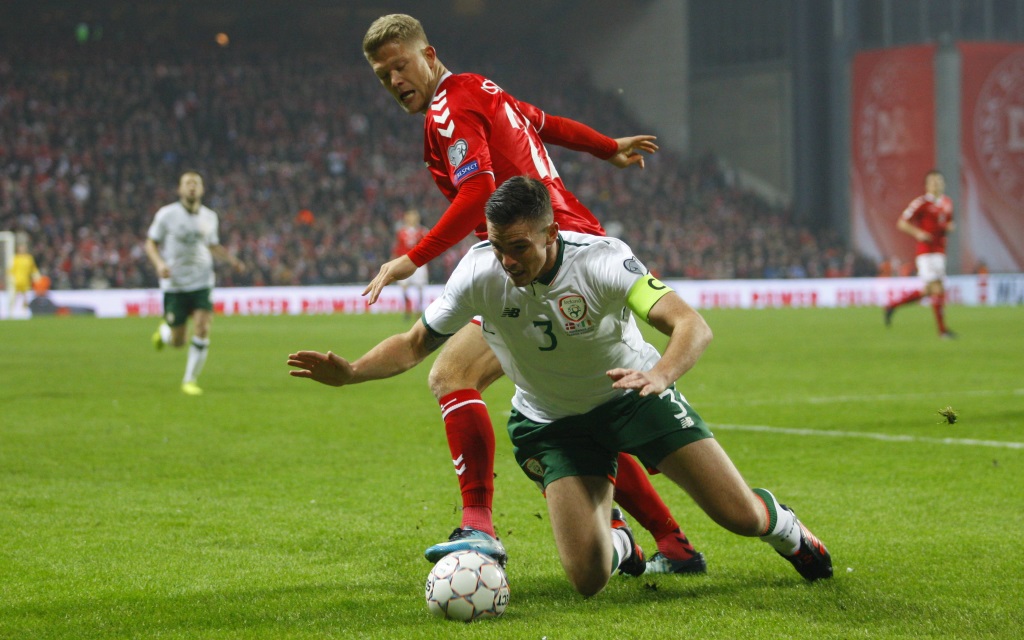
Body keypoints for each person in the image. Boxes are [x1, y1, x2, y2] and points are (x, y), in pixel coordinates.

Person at [288, 177, 833, 595]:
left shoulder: (602, 261)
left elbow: (690, 323)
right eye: (500, 245)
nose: (508, 260)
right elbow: (413, 345)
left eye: (520, 247)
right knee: (588, 579)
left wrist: (661, 374)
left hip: (633, 396)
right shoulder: (480, 272)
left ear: (552, 233)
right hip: (552, 425)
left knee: (738, 516)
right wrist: (354, 371)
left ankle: (787, 531)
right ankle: (619, 541)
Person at [361, 13, 704, 575]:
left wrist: (410, 258)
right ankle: (669, 540)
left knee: (454, 377)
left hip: (547, 261)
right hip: (568, 247)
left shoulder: (449, 109)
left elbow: (477, 192)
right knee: (580, 404)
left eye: (400, 65)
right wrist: (604, 146)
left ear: (428, 55)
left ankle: (479, 526)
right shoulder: (478, 88)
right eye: (383, 75)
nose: (394, 79)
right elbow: (540, 121)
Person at [145, 171, 245, 395]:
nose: (192, 187)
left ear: (202, 190)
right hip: (175, 284)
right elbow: (150, 244)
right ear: (180, 189)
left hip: (202, 281)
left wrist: (232, 261)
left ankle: (189, 380)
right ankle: (165, 333)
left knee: (202, 326)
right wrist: (159, 264)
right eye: (187, 183)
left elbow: (212, 245)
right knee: (179, 341)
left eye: (196, 183)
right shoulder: (166, 215)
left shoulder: (210, 216)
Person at [884, 170, 956, 338]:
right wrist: (918, 234)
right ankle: (943, 331)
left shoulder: (947, 202)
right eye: (933, 182)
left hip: (940, 251)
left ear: (943, 184)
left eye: (939, 181)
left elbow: (947, 222)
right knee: (937, 288)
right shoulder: (921, 203)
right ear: (926, 186)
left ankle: (892, 305)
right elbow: (902, 223)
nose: (936, 184)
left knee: (930, 290)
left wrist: (949, 227)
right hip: (927, 252)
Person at [392, 208, 430, 319]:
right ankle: (407, 308)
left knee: (420, 287)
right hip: (405, 262)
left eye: (414, 216)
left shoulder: (423, 231)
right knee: (403, 287)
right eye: (410, 216)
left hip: (419, 264)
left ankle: (418, 309)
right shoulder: (401, 232)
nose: (412, 219)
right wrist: (394, 260)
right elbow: (398, 248)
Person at [11, 240, 41, 312]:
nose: (22, 249)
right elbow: (11, 270)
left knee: (25, 297)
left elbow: (33, 268)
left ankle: (25, 311)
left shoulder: (29, 258)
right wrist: (11, 278)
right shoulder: (15, 258)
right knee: (13, 297)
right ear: (18, 249)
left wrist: (37, 275)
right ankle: (11, 311)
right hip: (16, 281)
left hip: (25, 281)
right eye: (21, 247)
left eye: (23, 247)